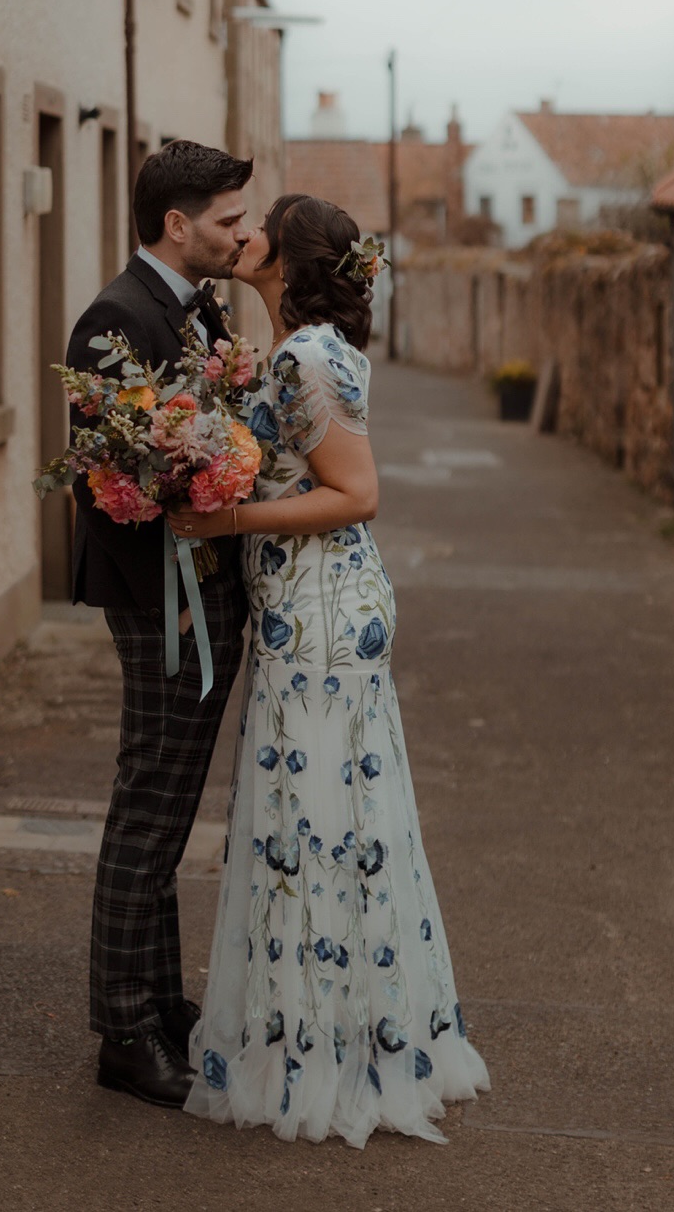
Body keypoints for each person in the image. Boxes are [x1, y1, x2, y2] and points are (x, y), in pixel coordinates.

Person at [170, 194, 490, 1147]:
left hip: (317, 619)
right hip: (318, 611)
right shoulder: (300, 350)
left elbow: (357, 494)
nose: (245, 235)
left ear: (291, 262)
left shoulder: (303, 357)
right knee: (341, 819)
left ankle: (321, 1053)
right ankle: (334, 1032)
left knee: (313, 826)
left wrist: (228, 520)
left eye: (261, 225)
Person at [65, 139, 253, 1108]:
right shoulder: (114, 318)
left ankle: (159, 996)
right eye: (227, 220)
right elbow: (108, 485)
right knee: (147, 809)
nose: (242, 234)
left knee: (172, 812)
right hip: (156, 599)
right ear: (176, 224)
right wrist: (183, 478)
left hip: (202, 587)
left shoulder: (197, 306)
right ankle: (122, 1029)